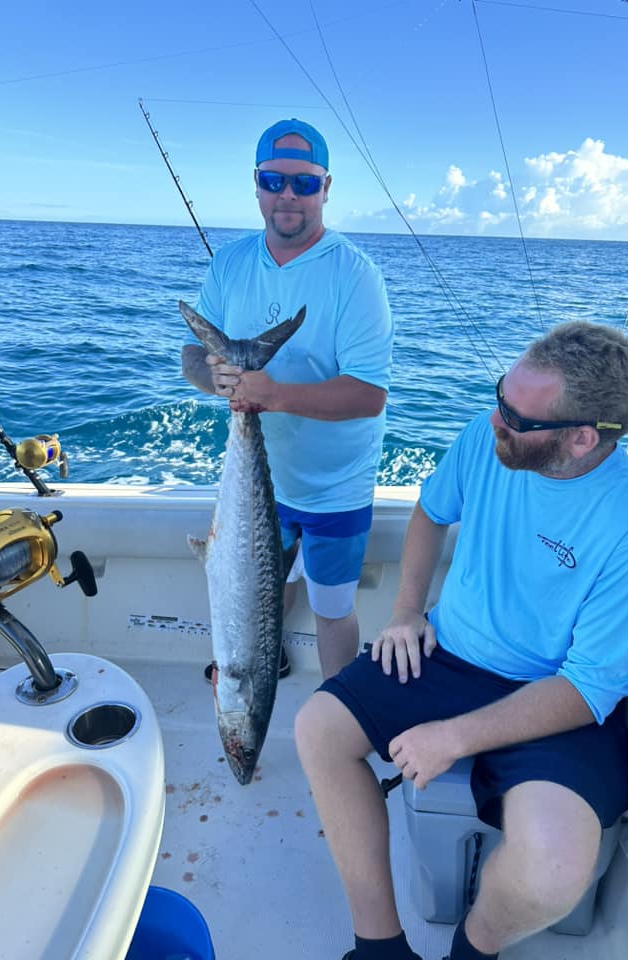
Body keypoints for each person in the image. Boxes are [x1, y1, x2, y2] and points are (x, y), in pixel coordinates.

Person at [295, 321, 628, 960]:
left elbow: (590, 687)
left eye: (518, 419)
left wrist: (456, 736)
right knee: (318, 729)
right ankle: (379, 947)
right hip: (450, 651)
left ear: (583, 438)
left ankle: (474, 950)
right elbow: (431, 512)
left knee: (554, 868)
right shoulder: (484, 434)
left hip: (556, 695)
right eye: (501, 397)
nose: (497, 421)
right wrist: (407, 611)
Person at [182, 118, 394, 681]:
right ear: (256, 184)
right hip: (259, 481)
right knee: (262, 587)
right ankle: (263, 656)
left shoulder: (356, 277)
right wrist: (218, 378)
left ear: (327, 188)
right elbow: (190, 357)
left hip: (335, 485)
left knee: (332, 610)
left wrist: (272, 393)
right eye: (274, 180)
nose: (288, 196)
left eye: (304, 183)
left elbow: (369, 395)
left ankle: (338, 710)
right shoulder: (230, 263)